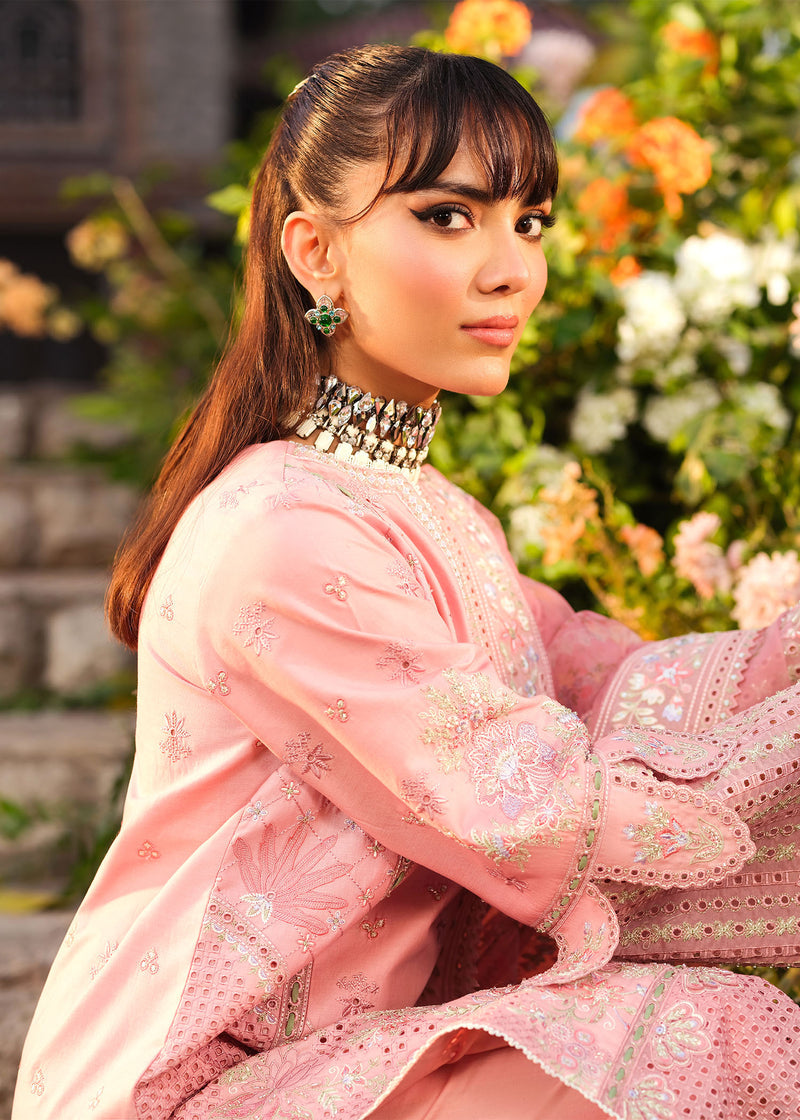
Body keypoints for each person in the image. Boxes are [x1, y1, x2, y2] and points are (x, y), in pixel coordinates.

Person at [12, 44, 800, 1120]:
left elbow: (605, 686)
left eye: (527, 222)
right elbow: (520, 799)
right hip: (195, 1085)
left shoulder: (436, 516)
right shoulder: (281, 531)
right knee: (691, 1038)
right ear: (315, 254)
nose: (510, 267)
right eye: (446, 216)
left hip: (360, 1060)